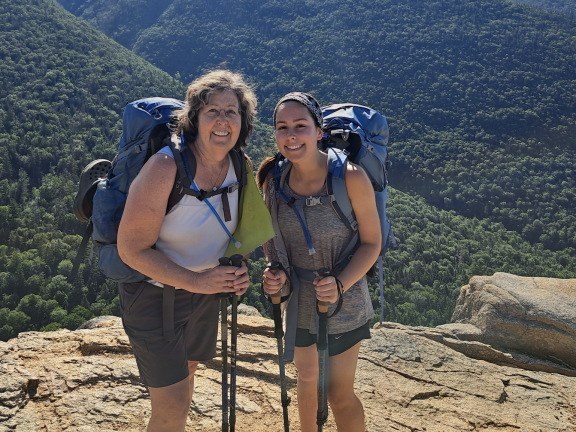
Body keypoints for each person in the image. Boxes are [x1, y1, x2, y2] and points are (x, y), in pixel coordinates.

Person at [117, 70, 257, 432]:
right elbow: (131, 249)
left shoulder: (240, 166)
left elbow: (234, 233)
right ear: (195, 118)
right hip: (153, 297)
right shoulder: (166, 167)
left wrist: (237, 270)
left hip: (204, 296)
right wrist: (198, 282)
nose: (224, 121)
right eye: (213, 111)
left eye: (233, 111)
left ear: (244, 121)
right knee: (174, 406)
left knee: (188, 374)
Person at [257, 92, 381, 432]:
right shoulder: (273, 182)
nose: (291, 135)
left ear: (319, 131)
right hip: (298, 302)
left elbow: (372, 243)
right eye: (282, 128)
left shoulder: (350, 178)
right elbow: (274, 245)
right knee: (307, 382)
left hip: (345, 300)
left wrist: (340, 283)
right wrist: (275, 276)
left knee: (339, 394)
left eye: (301, 126)